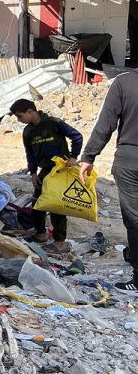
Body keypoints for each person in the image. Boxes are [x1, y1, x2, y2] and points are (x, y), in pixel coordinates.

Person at [80, 71, 138, 292]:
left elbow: (106, 124)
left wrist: (88, 157)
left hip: (129, 162)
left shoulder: (124, 82)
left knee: (134, 221)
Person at [10, 98, 83, 254]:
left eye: (20, 116)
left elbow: (77, 136)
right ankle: (41, 234)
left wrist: (73, 156)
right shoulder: (28, 131)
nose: (19, 120)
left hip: (60, 171)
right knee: (38, 204)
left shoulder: (53, 123)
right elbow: (29, 153)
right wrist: (33, 172)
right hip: (44, 172)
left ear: (30, 111)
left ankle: (60, 243)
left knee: (57, 206)